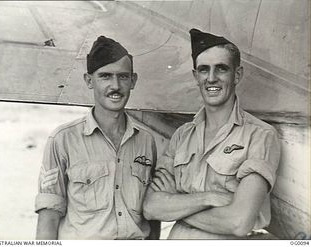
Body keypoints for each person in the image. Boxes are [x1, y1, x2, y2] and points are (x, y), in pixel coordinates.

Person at [143, 28, 281, 239]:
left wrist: (177, 206)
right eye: (204, 70)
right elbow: (151, 207)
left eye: (221, 69)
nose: (211, 78)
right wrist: (209, 198)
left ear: (237, 75)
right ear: (195, 76)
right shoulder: (182, 136)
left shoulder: (259, 136)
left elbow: (238, 222)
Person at [35, 36, 160, 240]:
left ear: (133, 80)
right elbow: (48, 217)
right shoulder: (63, 139)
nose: (115, 86)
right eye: (105, 76)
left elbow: (152, 217)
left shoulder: (146, 141)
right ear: (88, 81)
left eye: (123, 77)